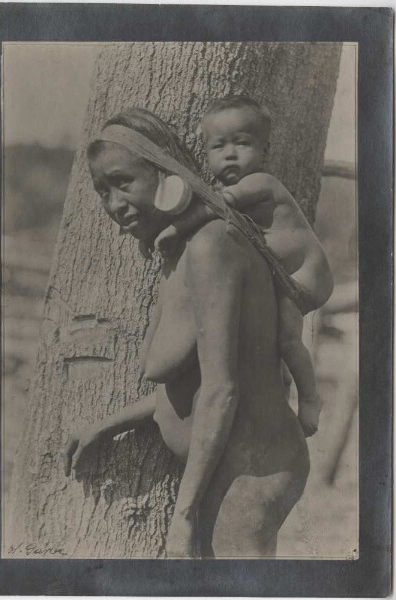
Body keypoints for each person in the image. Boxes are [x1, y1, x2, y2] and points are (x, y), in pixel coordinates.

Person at [63, 107, 310, 559]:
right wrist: (104, 426)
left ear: (164, 175)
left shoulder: (212, 247)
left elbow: (222, 391)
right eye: (103, 190)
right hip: (234, 471)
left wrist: (183, 516)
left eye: (124, 182)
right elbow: (190, 386)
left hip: (252, 474)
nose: (114, 204)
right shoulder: (187, 254)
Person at [154, 96, 333, 437]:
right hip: (283, 276)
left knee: (288, 339)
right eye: (218, 146)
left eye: (242, 143)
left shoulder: (260, 184)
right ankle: (282, 384)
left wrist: (176, 228)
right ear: (206, 155)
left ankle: (311, 398)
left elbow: (219, 206)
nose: (230, 153)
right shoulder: (232, 188)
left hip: (306, 276)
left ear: (264, 152)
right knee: (267, 334)